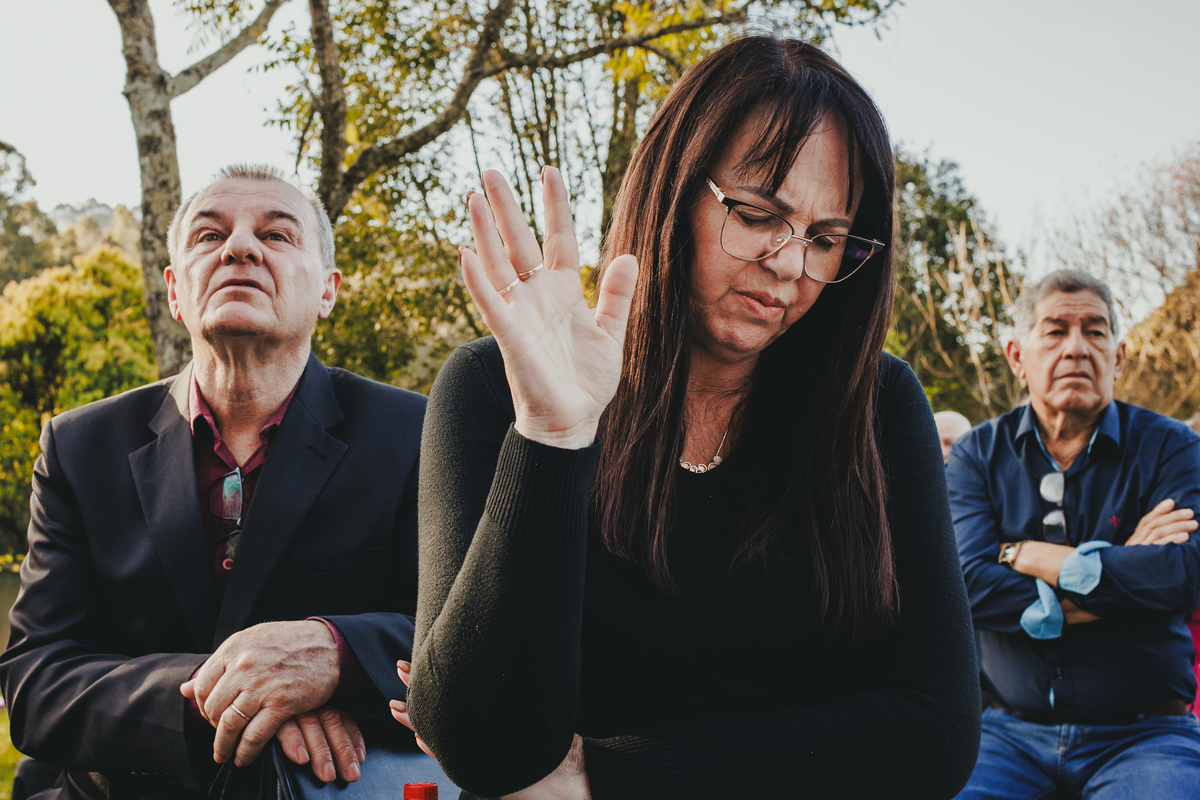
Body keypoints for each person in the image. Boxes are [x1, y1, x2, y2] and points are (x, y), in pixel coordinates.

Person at [394, 37, 980, 799]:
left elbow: (936, 732)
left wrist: (610, 774)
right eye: (758, 214)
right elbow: (482, 745)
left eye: (827, 240)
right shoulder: (494, 387)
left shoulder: (877, 404)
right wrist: (553, 439)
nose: (789, 263)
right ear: (673, 191)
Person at [0, 165, 426, 800]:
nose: (240, 247)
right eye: (209, 235)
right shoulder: (78, 446)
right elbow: (37, 678)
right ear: (176, 291)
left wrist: (336, 652)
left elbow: (468, 634)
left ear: (327, 290)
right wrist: (231, 695)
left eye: (277, 235)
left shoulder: (418, 434)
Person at [947, 270, 1200, 798]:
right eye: (1056, 330)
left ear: (1119, 356)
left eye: (1095, 331)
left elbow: (1181, 577)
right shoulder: (976, 455)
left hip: (1147, 735)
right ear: (1017, 356)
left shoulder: (1173, 447)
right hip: (1003, 734)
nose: (1077, 348)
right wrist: (1123, 567)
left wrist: (1018, 554)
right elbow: (966, 583)